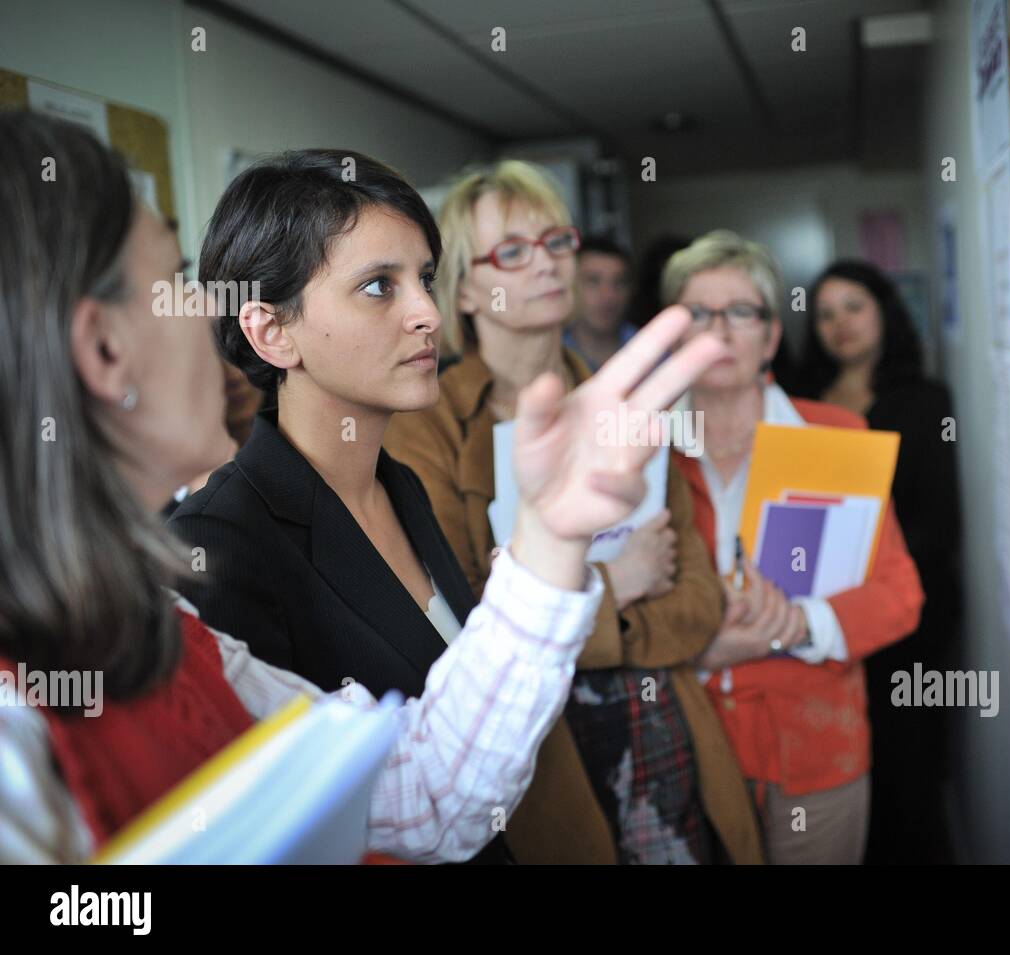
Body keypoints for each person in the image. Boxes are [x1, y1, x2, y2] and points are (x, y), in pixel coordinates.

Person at [0, 111, 726, 863]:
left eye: (424, 279)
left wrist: (553, 530)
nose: (426, 314)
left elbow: (419, 792)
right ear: (106, 349)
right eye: (178, 287)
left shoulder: (174, 622)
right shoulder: (203, 562)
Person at [386, 161, 762, 864]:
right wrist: (617, 582)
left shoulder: (630, 400)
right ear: (464, 285)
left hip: (657, 724)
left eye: (558, 241)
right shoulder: (422, 425)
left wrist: (575, 608)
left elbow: (698, 603)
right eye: (516, 250)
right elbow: (461, 625)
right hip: (531, 758)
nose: (551, 264)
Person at [661, 231, 925, 865]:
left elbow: (899, 595)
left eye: (741, 312)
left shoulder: (833, 437)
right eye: (698, 314)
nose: (719, 331)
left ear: (771, 337)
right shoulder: (637, 452)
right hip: (684, 749)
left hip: (814, 749)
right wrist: (698, 645)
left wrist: (802, 622)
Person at [790, 260, 962, 864]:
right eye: (826, 314)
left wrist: (870, 579)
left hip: (907, 616)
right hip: (816, 614)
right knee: (836, 769)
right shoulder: (796, 405)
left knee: (907, 774)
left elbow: (938, 525)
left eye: (854, 307)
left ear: (884, 312)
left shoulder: (925, 401)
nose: (840, 325)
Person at [562, 235, 637, 371]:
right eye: (593, 281)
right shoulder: (551, 354)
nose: (608, 295)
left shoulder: (652, 350)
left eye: (619, 283)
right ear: (570, 286)